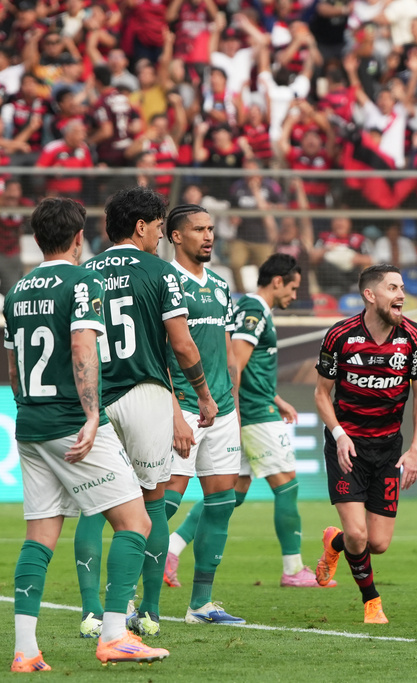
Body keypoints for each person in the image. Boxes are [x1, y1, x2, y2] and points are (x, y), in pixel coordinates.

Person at [7, 198, 168, 671]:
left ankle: (25, 649)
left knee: (39, 536)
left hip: (31, 424)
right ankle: (116, 634)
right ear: (80, 237)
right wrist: (92, 414)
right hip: (70, 424)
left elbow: (15, 365)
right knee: (135, 523)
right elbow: (83, 346)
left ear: (37, 239)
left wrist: (27, 410)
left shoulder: (17, 292)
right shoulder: (83, 281)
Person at [75, 186, 218, 640]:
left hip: (95, 399)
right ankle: (150, 612)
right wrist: (203, 394)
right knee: (152, 503)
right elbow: (181, 343)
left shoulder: (84, 272)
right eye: (158, 227)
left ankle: (93, 612)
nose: (159, 236)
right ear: (141, 226)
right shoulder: (160, 271)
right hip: (144, 394)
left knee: (94, 507)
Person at [312, 264, 417, 624]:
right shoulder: (340, 336)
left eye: (402, 288)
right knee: (358, 533)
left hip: (388, 450)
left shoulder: (413, 336)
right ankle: (371, 601)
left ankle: (334, 544)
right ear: (370, 295)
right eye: (393, 288)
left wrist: (415, 449)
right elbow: (321, 394)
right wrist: (339, 434)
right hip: (347, 449)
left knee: (376, 543)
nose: (401, 295)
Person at [157, 204, 245, 625]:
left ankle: (201, 605)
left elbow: (228, 353)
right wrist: (174, 410)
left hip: (223, 410)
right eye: (198, 229)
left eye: (211, 229)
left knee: (221, 505)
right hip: (185, 409)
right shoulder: (163, 282)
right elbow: (160, 354)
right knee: (165, 504)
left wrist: (235, 409)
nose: (208, 236)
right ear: (175, 236)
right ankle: (139, 602)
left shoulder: (221, 285)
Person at [232, 254, 326, 588]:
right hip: (253, 412)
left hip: (258, 405)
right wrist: (237, 412)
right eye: (293, 287)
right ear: (277, 281)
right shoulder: (255, 310)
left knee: (233, 492)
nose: (294, 295)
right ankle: (293, 570)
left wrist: (277, 397)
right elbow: (235, 362)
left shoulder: (252, 309)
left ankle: (172, 551)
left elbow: (250, 365)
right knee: (287, 484)